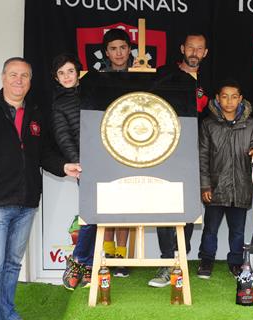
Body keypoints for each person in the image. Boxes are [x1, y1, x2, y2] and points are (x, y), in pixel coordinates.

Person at [0, 57, 82, 320]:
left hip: (26, 204)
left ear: (30, 81)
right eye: (13, 75)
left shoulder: (36, 114)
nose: (19, 80)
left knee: (12, 264)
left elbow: (45, 154)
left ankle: (7, 313)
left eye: (24, 76)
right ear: (3, 77)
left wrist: (64, 167)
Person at [148, 32, 210, 288]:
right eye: (190, 48)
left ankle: (179, 263)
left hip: (194, 156)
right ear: (182, 48)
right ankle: (166, 263)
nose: (194, 53)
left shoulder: (208, 81)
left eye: (199, 49)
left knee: (187, 211)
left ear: (205, 53)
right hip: (165, 153)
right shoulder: (164, 74)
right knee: (164, 209)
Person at [197, 79, 253, 278]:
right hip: (216, 187)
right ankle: (206, 261)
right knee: (210, 229)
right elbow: (202, 156)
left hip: (240, 186)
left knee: (237, 230)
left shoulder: (250, 123)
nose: (229, 101)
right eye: (224, 96)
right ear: (217, 99)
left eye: (234, 97)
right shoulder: (208, 124)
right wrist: (205, 185)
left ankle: (236, 262)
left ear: (240, 99)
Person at [50, 53, 96, 290]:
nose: (66, 76)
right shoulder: (58, 103)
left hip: (108, 161)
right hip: (84, 167)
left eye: (70, 71)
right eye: (61, 73)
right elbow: (63, 137)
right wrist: (78, 163)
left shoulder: (94, 91)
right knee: (90, 215)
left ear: (78, 72)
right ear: (56, 78)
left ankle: (87, 265)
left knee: (101, 215)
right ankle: (80, 260)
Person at [100, 28, 140, 276]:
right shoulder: (97, 79)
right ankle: (106, 256)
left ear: (129, 50)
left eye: (123, 48)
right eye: (113, 48)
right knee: (107, 205)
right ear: (106, 52)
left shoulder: (141, 76)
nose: (118, 53)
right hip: (105, 147)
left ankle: (121, 258)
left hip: (134, 147)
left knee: (125, 206)